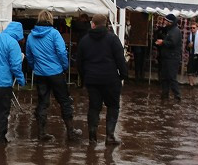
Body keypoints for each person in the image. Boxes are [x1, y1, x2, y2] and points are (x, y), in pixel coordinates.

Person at [25, 10, 80, 142]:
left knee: (43, 103)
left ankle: (42, 133)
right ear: (50, 20)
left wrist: (34, 67)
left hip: (40, 73)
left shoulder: (31, 36)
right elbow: (61, 51)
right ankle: (71, 132)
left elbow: (29, 55)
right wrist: (65, 66)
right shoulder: (54, 33)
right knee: (64, 101)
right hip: (55, 72)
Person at [76, 13, 126, 146]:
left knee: (94, 108)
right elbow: (121, 60)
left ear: (92, 24)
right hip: (111, 79)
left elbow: (79, 62)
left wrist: (84, 78)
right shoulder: (113, 39)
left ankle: (92, 138)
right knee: (113, 106)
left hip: (92, 80)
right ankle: (110, 136)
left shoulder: (85, 40)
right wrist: (122, 76)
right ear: (106, 25)